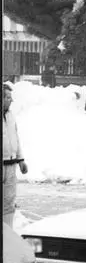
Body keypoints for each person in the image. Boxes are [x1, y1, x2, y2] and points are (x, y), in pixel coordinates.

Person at [2, 83, 28, 227]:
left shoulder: (11, 116)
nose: (11, 100)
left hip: (11, 165)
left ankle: (7, 235)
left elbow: (15, 138)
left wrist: (21, 159)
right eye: (7, 97)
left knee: (9, 203)